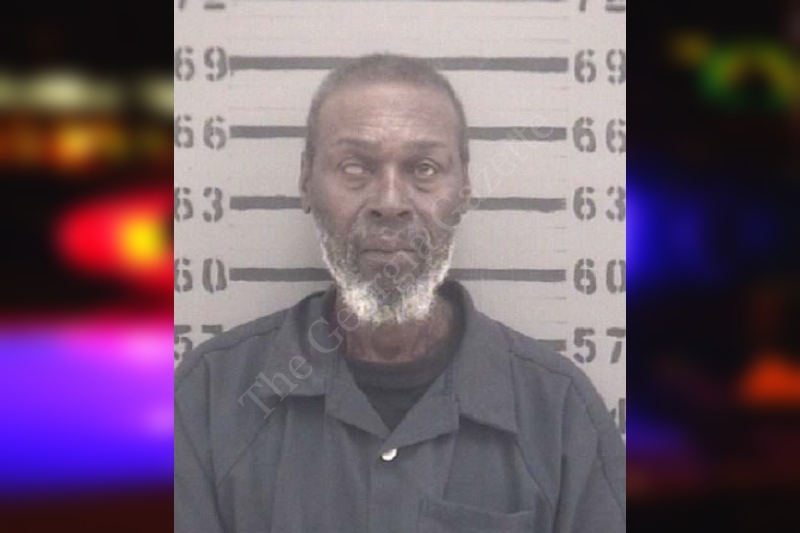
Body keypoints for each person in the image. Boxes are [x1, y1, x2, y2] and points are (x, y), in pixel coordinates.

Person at [175, 53, 626, 533]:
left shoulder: (560, 415)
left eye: (424, 168)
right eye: (355, 167)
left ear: (465, 188)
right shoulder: (209, 400)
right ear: (306, 181)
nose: (390, 203)